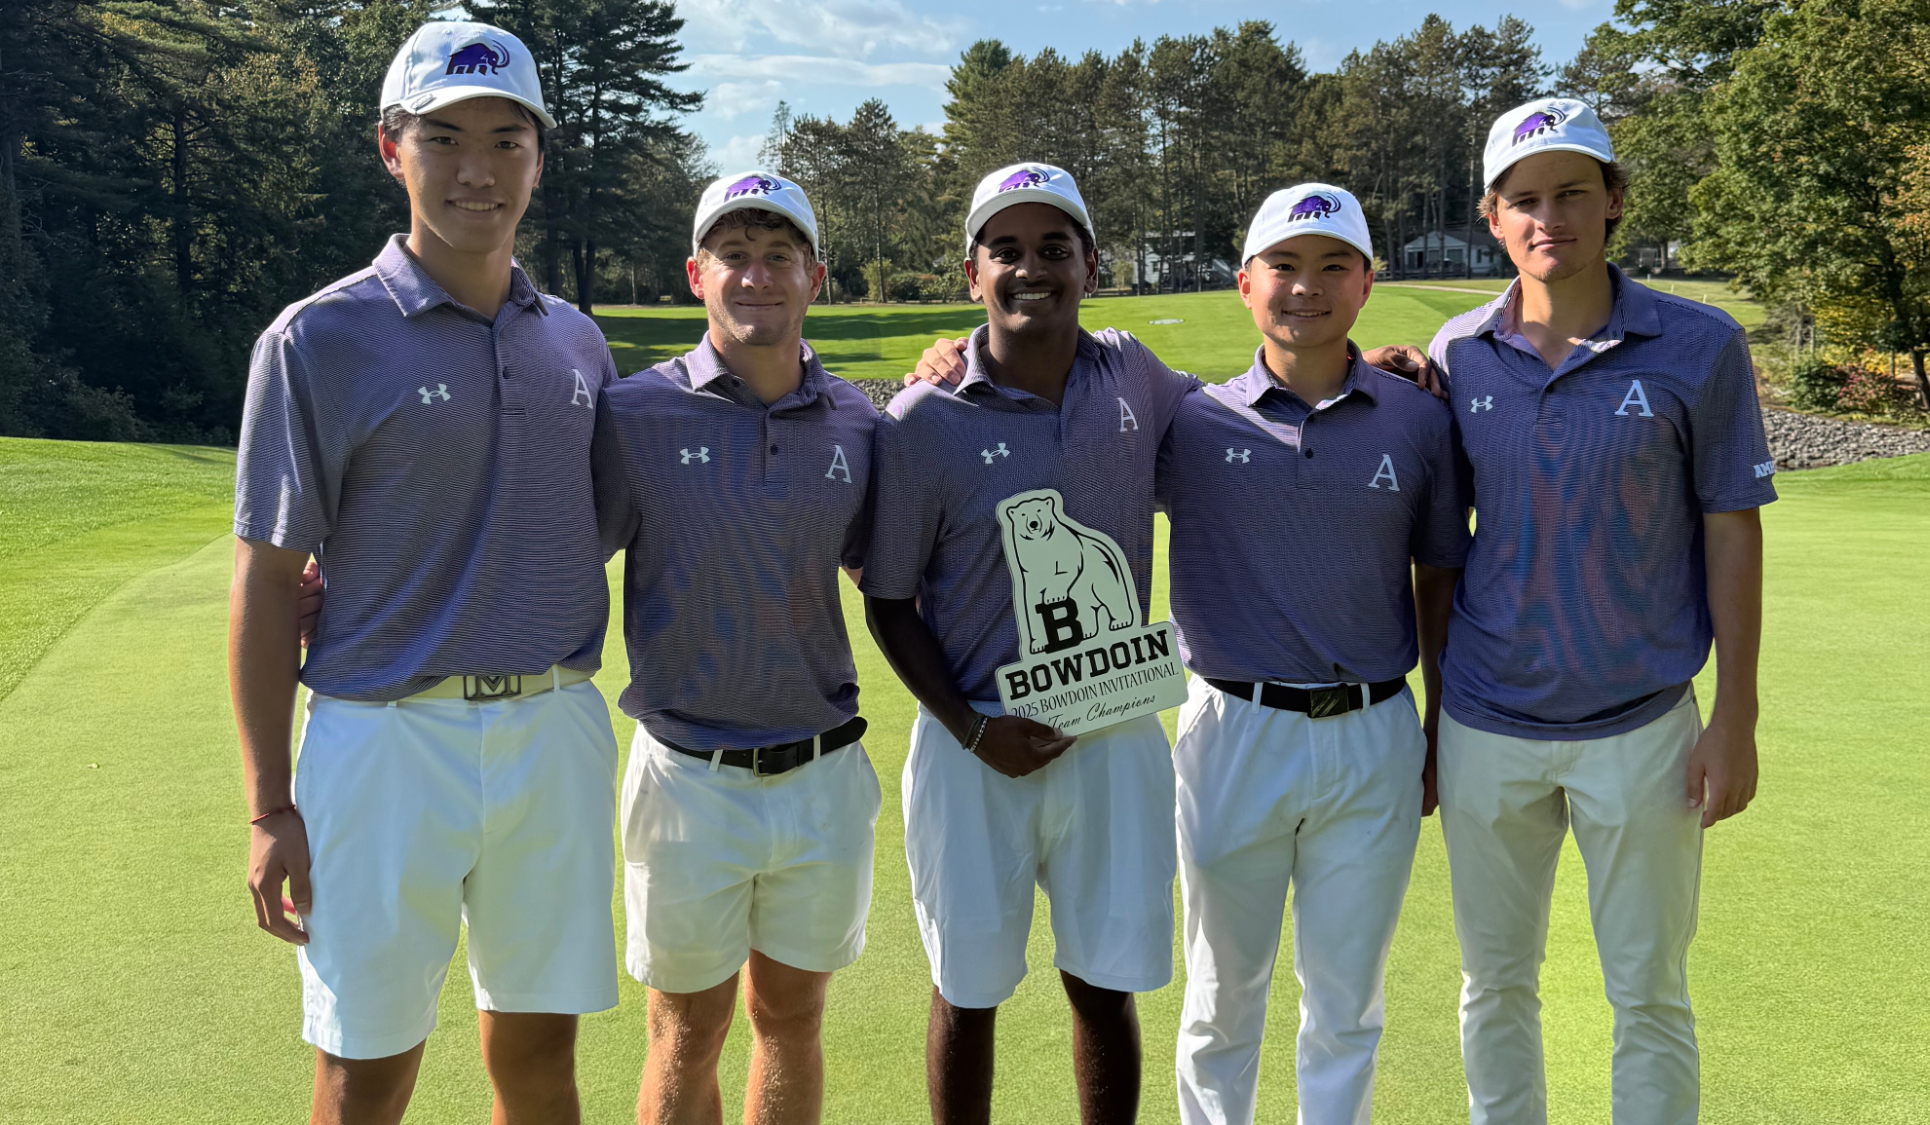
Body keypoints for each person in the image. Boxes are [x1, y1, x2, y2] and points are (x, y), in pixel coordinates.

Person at [230, 21, 618, 1124]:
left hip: (552, 730)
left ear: (539, 157)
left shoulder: (577, 345)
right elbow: (267, 579)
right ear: (390, 149)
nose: (476, 171)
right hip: (382, 742)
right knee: (364, 1069)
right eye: (442, 137)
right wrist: (268, 807)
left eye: (505, 139)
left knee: (540, 1060)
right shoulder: (316, 339)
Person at [1426, 97, 1773, 1125]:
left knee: (1648, 994)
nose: (1549, 219)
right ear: (1491, 217)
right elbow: (1438, 553)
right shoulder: (1455, 353)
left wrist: (1737, 717)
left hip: (1642, 727)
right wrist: (1433, 717)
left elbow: (1731, 529)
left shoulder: (1698, 345)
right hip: (1485, 722)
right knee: (1492, 985)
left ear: (1613, 200)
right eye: (1523, 199)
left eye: (1571, 193)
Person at [861, 163, 1199, 1125]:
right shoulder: (923, 419)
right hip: (975, 745)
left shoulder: (1133, 372)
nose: (1031, 268)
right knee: (967, 987)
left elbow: (1244, 408)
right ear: (973, 275)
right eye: (1005, 250)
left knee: (1104, 984)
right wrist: (972, 728)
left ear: (1091, 264)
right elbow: (890, 601)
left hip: (1114, 732)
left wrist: (1372, 362)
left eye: (1055, 248)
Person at [1158, 184, 1468, 1125]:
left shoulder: (1418, 421)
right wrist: (952, 351)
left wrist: (1438, 726)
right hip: (1231, 729)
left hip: (1372, 732)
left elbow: (1439, 581)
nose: (1307, 287)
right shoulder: (1189, 419)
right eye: (1285, 267)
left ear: (1367, 283)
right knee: (1220, 998)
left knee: (1346, 1004)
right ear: (1246, 284)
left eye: (1334, 265)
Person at [594, 171, 880, 1125]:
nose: (757, 276)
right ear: (696, 275)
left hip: (822, 771)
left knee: (793, 1017)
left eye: (779, 256)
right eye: (734, 256)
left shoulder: (860, 422)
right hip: (687, 776)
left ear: (815, 277)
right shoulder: (632, 415)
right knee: (686, 1029)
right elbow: (538, 547)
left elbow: (909, 569)